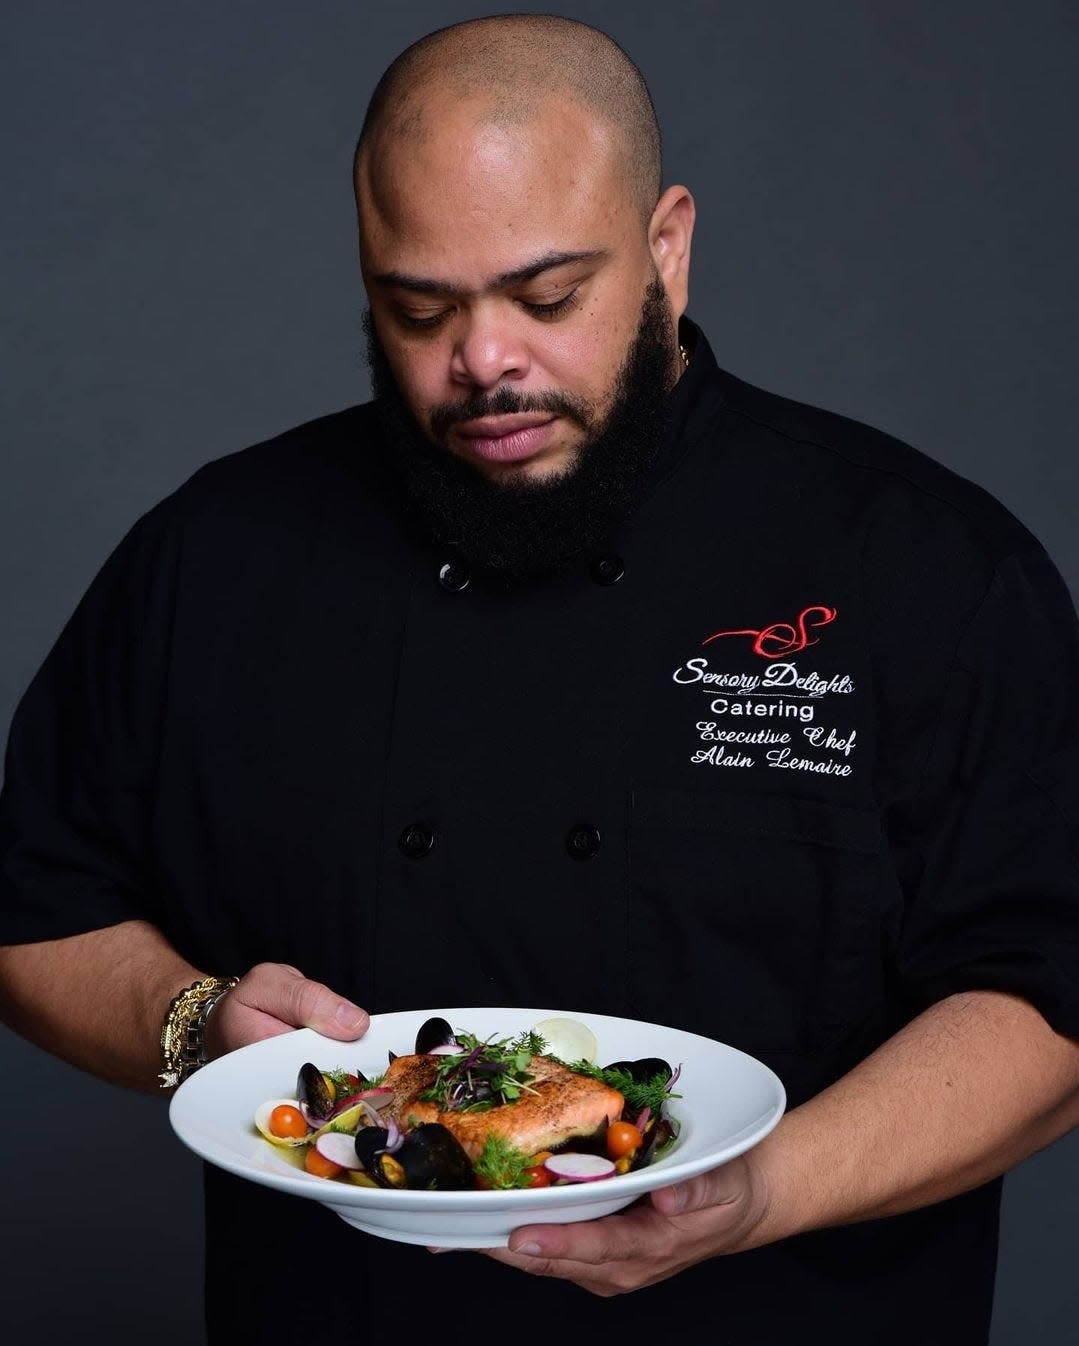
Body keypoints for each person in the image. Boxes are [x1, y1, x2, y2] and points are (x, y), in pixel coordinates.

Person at [2, 13, 1078, 1344]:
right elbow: (35, 908)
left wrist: (762, 1188)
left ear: (668, 249)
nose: (487, 362)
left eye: (548, 297)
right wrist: (190, 1019)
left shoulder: (925, 566)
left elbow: (1050, 994)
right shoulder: (219, 555)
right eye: (419, 309)